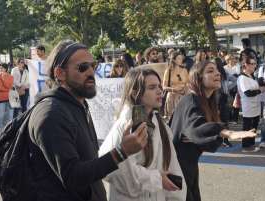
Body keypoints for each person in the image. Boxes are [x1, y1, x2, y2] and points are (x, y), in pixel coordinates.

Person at [27, 40, 148, 201]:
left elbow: (90, 165)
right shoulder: (50, 114)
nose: (91, 72)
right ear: (60, 73)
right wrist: (122, 151)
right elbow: (73, 177)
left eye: (94, 66)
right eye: (82, 67)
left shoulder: (78, 105)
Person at [170, 61, 256, 201]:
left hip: (188, 164)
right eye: (210, 71)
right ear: (198, 78)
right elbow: (195, 128)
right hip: (177, 167)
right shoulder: (190, 100)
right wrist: (227, 132)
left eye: (217, 70)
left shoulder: (207, 100)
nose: (217, 73)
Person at [99, 68, 186, 201]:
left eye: (159, 86)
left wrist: (176, 197)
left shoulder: (161, 125)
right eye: (152, 87)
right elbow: (111, 169)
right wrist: (157, 179)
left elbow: (172, 166)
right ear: (135, 93)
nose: (159, 91)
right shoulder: (124, 125)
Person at [237, 56, 261, 152]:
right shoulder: (242, 77)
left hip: (256, 105)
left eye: (255, 64)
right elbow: (247, 93)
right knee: (248, 126)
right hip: (248, 106)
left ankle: (251, 144)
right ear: (245, 65)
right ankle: (246, 146)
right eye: (252, 64)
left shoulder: (252, 76)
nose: (254, 66)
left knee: (254, 125)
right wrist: (259, 91)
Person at [163, 51, 189, 120]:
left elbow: (188, 84)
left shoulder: (184, 70)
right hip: (172, 95)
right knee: (170, 96)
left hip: (183, 94)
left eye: (181, 58)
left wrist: (184, 90)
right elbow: (164, 87)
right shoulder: (168, 71)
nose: (181, 60)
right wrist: (174, 90)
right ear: (174, 60)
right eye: (179, 58)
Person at [0, 63, 14, 134]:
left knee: (9, 116)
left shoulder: (9, 77)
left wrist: (3, 77)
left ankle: (6, 129)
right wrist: (6, 89)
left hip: (8, 99)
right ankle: (0, 130)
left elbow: (8, 86)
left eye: (2, 68)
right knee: (2, 116)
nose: (0, 69)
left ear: (6, 69)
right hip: (2, 99)